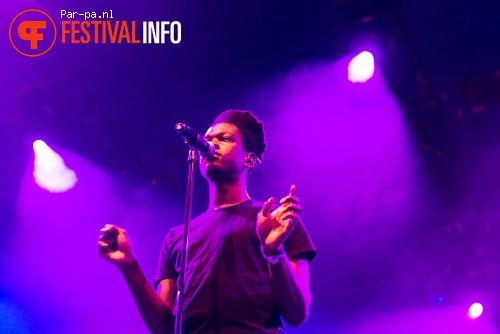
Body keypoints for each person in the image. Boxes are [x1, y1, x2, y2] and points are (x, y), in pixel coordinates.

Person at [98, 110, 316, 333]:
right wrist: (129, 265)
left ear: (249, 158)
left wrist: (273, 250)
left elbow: (297, 314)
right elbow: (165, 328)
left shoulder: (275, 221)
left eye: (224, 138)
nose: (211, 143)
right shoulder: (176, 237)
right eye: (208, 139)